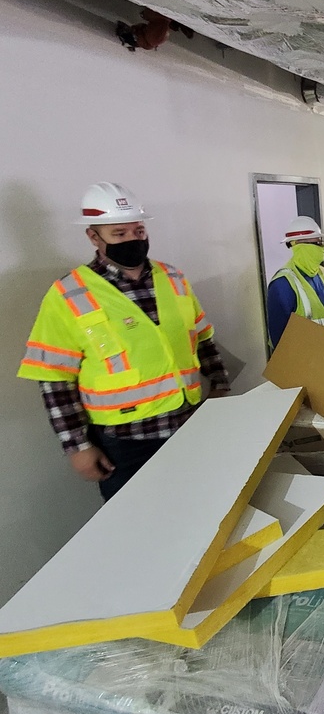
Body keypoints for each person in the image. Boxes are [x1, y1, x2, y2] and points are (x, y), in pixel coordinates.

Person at [18, 182, 230, 501]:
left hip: (190, 423)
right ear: (94, 237)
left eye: (139, 230)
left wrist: (221, 385)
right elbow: (54, 380)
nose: (133, 240)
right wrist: (78, 446)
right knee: (140, 524)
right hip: (126, 442)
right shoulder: (69, 293)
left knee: (202, 505)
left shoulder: (173, 278)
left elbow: (202, 338)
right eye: (119, 233)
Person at [266, 217, 324, 350]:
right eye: (317, 243)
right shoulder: (283, 284)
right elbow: (279, 339)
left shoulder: (322, 273)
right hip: (300, 362)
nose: (322, 248)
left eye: (321, 242)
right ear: (298, 245)